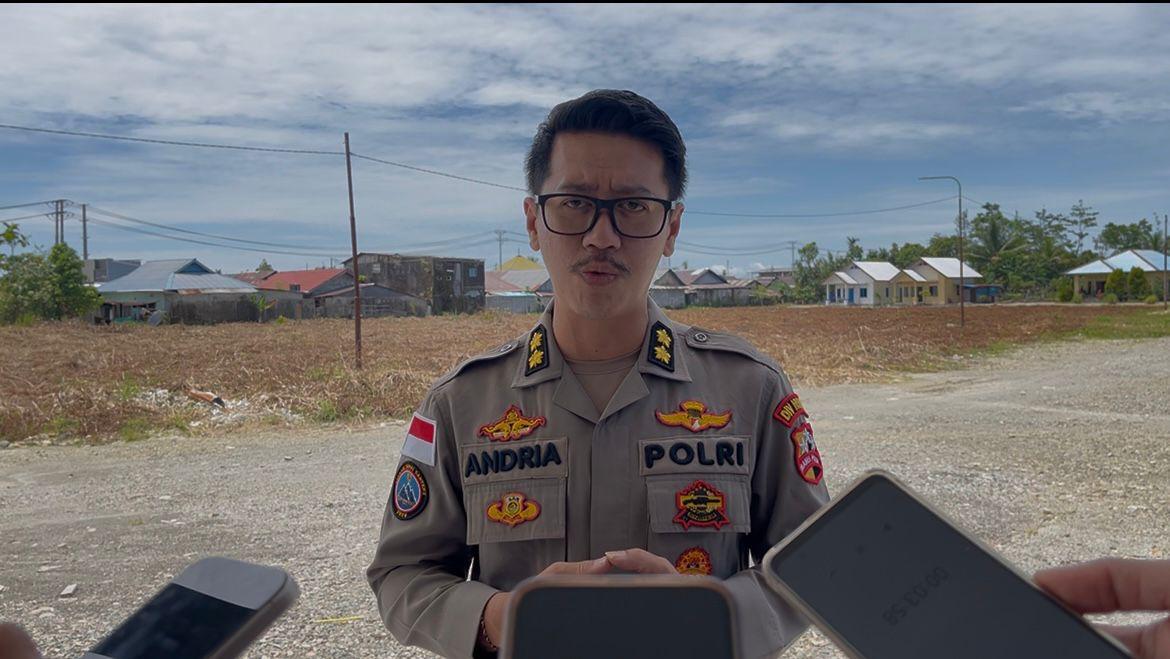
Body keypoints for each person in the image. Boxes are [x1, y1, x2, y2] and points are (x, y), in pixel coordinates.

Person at [366, 89, 829, 659]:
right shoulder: (461, 402)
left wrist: (710, 617)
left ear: (672, 228)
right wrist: (498, 619)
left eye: (633, 206)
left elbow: (816, 563)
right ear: (533, 221)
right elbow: (403, 572)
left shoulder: (750, 388)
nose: (601, 236)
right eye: (574, 203)